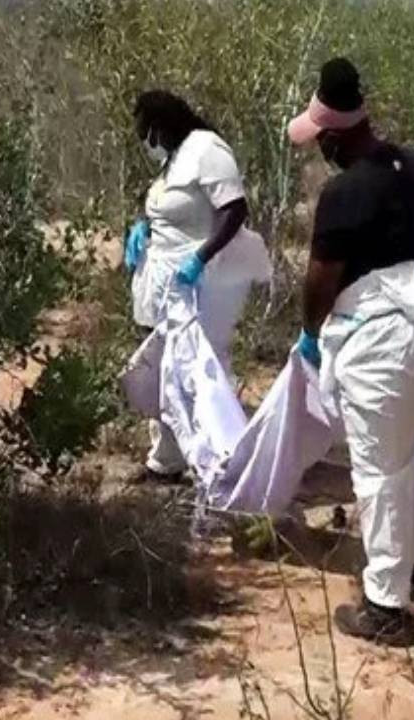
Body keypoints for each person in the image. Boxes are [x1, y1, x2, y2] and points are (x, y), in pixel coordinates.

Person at [287, 58, 414, 643]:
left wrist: (310, 332)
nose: (320, 150)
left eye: (320, 140)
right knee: (404, 453)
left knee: (378, 470)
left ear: (335, 138)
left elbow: (321, 279)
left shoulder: (344, 194)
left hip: (387, 340)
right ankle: (413, 564)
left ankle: (385, 606)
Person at [124, 90, 270, 484]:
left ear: (162, 125)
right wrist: (144, 228)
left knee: (200, 371)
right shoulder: (173, 160)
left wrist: (199, 259)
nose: (147, 143)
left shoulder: (207, 150)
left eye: (147, 133)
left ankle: (224, 463)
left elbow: (234, 210)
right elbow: (173, 211)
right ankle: (166, 460)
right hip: (161, 283)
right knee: (162, 368)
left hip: (198, 283)